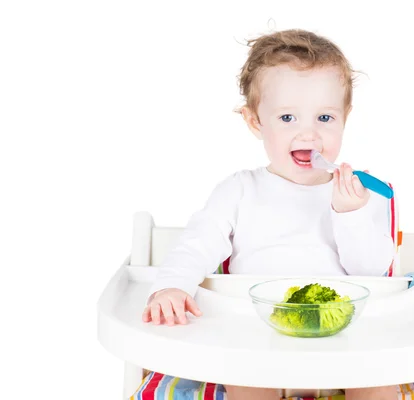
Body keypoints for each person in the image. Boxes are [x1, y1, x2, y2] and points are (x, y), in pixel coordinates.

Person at [142, 28, 398, 400]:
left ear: (346, 117)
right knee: (242, 374)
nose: (308, 133)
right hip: (255, 335)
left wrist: (351, 215)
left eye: (324, 118)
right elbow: (196, 245)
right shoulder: (239, 190)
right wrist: (171, 287)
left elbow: (374, 272)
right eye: (288, 118)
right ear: (255, 122)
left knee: (379, 379)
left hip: (346, 340)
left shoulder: (359, 193)